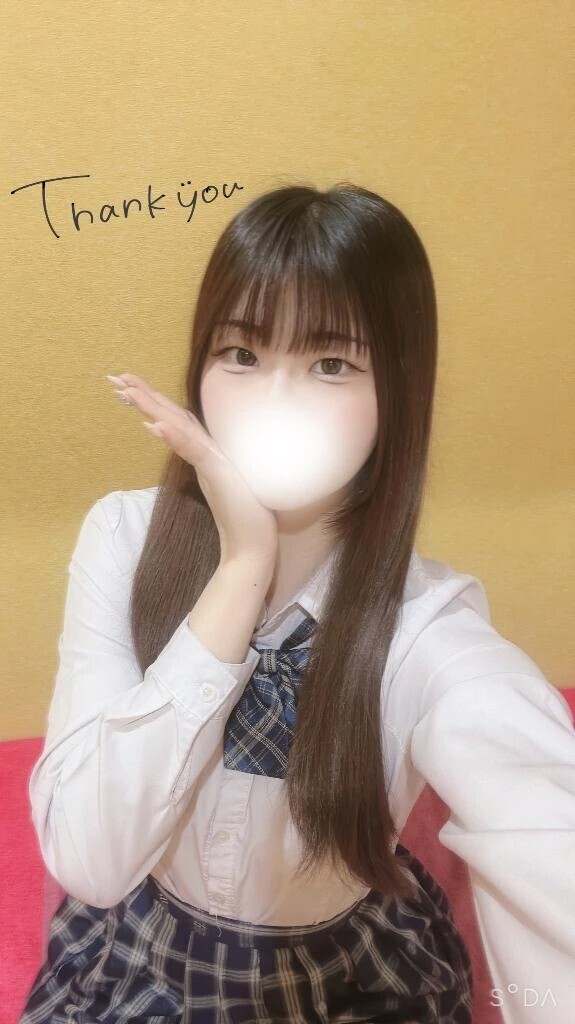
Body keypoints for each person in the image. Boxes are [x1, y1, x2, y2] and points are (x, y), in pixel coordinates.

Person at [18, 184, 574, 1024]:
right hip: (145, 953)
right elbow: (89, 861)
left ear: (397, 393)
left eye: (330, 364)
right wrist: (243, 566)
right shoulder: (124, 537)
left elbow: (540, 827)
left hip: (347, 973)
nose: (273, 400)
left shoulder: (426, 629)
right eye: (241, 353)